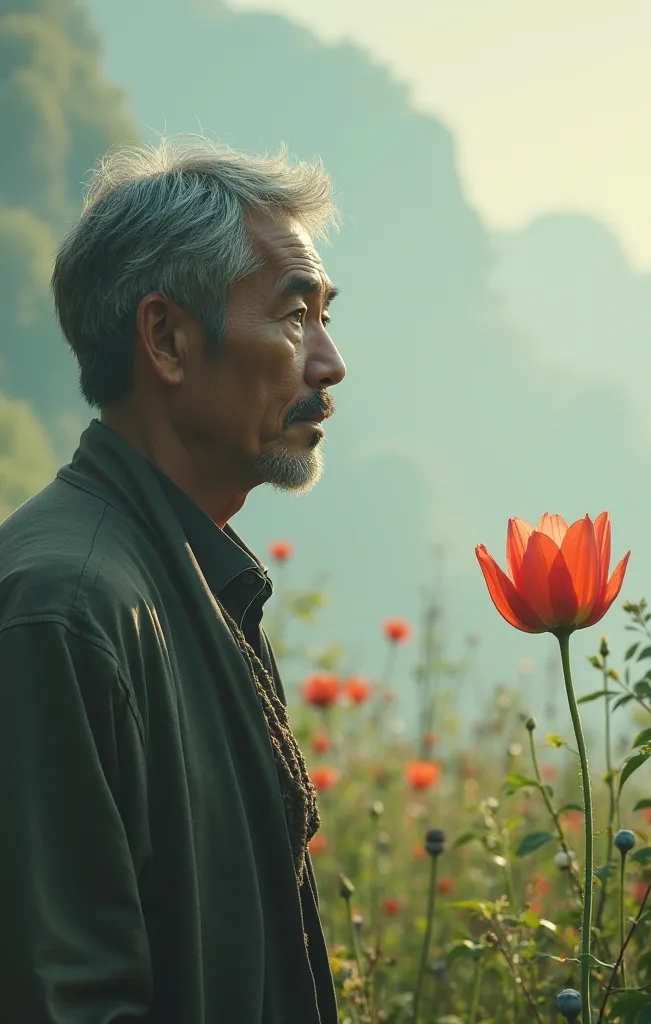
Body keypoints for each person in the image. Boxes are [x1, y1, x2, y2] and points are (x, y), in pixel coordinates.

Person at [0, 135, 346, 1023]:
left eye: (326, 317)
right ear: (166, 339)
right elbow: (64, 999)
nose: (328, 365)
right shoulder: (65, 609)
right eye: (294, 315)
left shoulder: (185, 578)